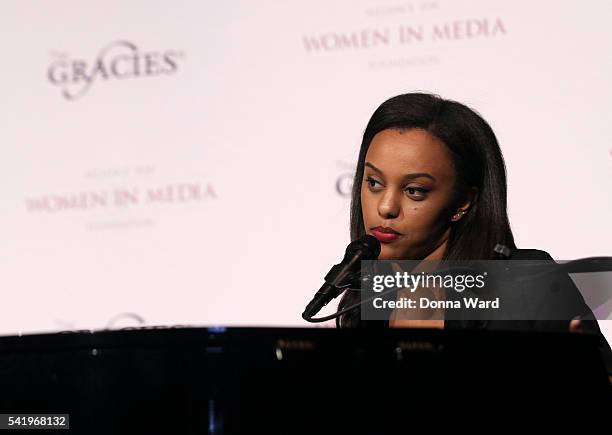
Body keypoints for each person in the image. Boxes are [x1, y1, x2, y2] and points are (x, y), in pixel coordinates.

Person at [335, 92, 611, 372]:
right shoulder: (363, 300)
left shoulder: (527, 283)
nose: (386, 207)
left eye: (414, 191)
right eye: (374, 183)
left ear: (463, 202)